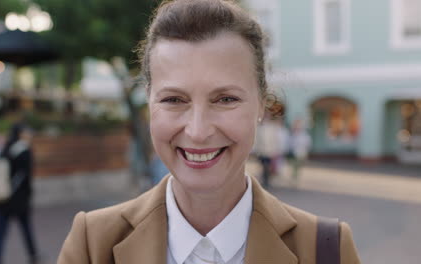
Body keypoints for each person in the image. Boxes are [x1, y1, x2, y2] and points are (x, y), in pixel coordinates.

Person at [58, 0, 361, 263]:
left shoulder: (326, 249)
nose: (198, 131)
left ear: (261, 103)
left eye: (225, 99)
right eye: (174, 100)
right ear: (150, 101)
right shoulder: (93, 245)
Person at [0, 123, 40, 264]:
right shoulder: (24, 150)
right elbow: (25, 176)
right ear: (21, 133)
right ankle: (33, 254)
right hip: (18, 198)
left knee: (0, 231)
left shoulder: (6, 147)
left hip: (3, 196)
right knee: (26, 228)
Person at [288, 119, 312, 183]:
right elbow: (290, 143)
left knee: (298, 167)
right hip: (293, 153)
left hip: (301, 153)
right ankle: (294, 178)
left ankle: (295, 178)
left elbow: (307, 144)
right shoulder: (293, 134)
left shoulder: (304, 135)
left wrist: (306, 153)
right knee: (294, 166)